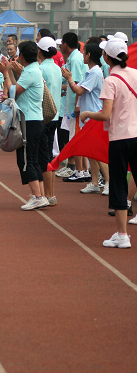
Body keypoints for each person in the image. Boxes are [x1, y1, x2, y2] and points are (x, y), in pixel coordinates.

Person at [80, 38, 137, 248]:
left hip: (120, 138)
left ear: (106, 57)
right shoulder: (135, 74)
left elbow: (106, 114)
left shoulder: (110, 81)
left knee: (119, 184)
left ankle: (122, 235)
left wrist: (87, 113)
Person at [0, 41, 49, 210]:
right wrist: (9, 72)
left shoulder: (31, 71)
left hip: (30, 121)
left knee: (26, 159)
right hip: (35, 119)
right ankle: (39, 195)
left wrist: (5, 73)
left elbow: (13, 91)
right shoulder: (31, 70)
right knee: (32, 158)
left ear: (22, 56)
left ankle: (38, 196)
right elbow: (16, 88)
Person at [62, 43, 110, 195]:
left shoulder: (95, 72)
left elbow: (78, 90)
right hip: (90, 116)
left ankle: (109, 182)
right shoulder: (92, 72)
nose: (83, 55)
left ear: (89, 55)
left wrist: (69, 78)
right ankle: (94, 182)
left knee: (97, 152)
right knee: (91, 152)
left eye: (84, 53)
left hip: (94, 115)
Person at [59, 32, 89, 182]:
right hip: (71, 103)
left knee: (75, 137)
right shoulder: (73, 58)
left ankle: (80, 171)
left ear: (65, 44)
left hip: (74, 107)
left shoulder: (76, 59)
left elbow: (77, 82)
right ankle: (83, 171)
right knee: (75, 137)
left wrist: (77, 105)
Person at [37, 37, 63, 206]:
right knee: (49, 155)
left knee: (44, 157)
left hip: (44, 116)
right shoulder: (57, 68)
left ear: (40, 51)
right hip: (55, 115)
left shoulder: (41, 69)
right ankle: (50, 194)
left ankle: (48, 195)